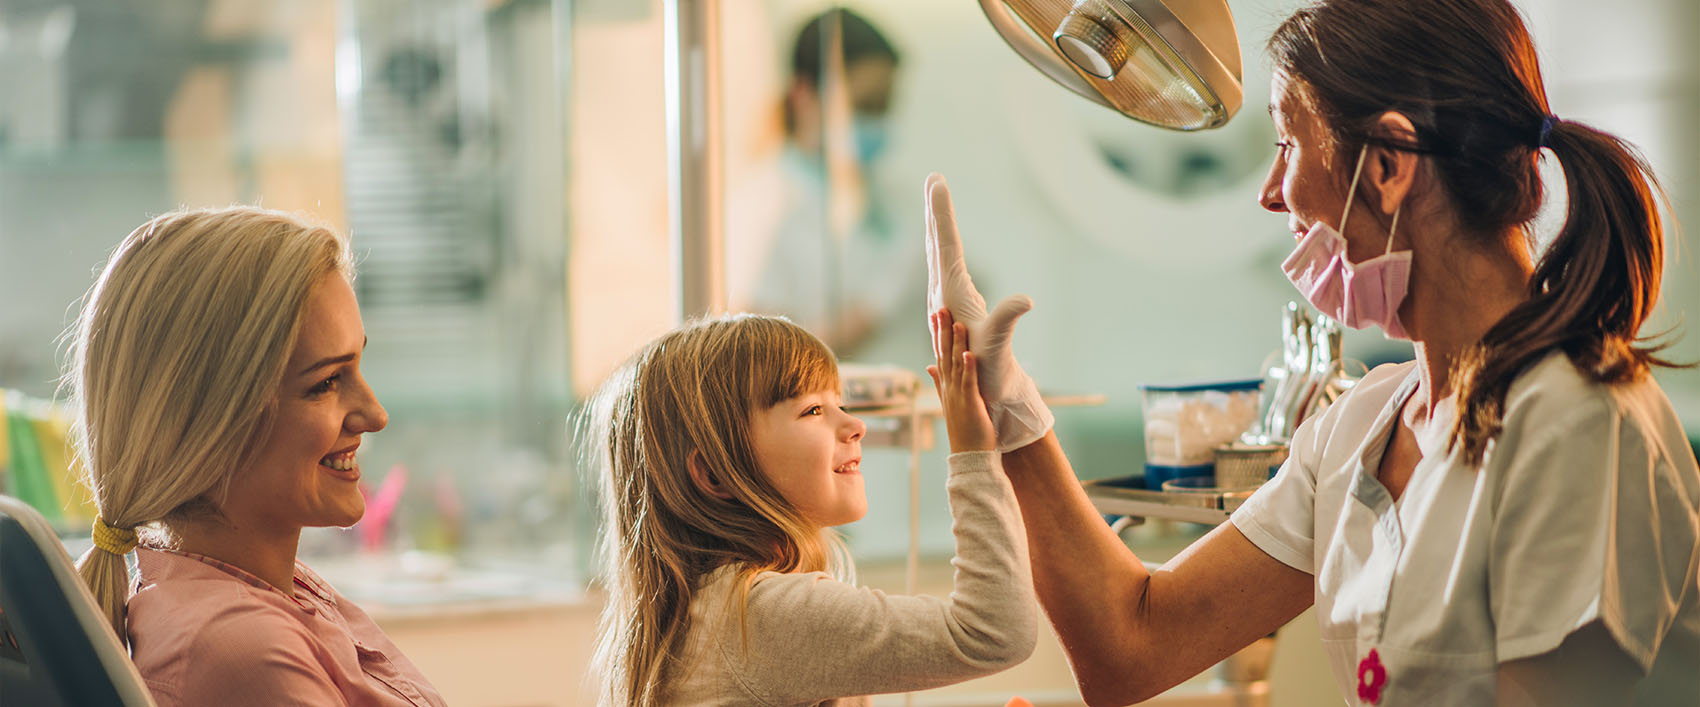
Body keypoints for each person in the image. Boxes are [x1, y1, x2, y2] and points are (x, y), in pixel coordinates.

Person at [922, 0, 1700, 704]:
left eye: (1287, 141)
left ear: (1390, 166)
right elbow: (1134, 643)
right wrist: (1008, 406)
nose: (1269, 192)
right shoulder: (1360, 428)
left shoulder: (1578, 423)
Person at [68, 207, 445, 706]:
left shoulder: (275, 591)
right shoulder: (244, 651)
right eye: (326, 383)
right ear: (208, 422)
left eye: (357, 366)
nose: (375, 415)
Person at [585, 313, 1036, 706]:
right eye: (814, 409)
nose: (855, 425)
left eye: (840, 404)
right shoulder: (762, 616)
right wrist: (973, 453)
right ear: (716, 475)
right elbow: (993, 632)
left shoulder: (699, 614)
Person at [727, 8, 917, 356]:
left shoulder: (888, 199)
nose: (877, 122)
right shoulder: (760, 204)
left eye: (885, 106)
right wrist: (878, 305)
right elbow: (762, 353)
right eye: (864, 105)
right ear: (804, 96)